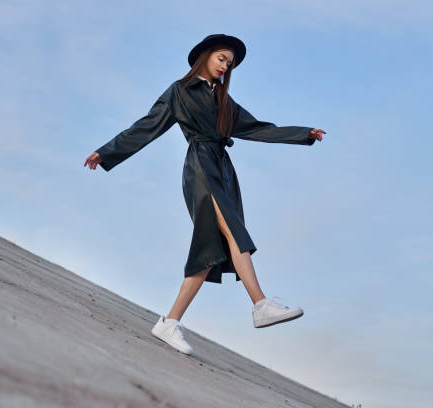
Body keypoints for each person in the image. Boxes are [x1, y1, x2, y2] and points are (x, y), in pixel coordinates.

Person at [84, 34, 325, 355]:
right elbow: (147, 126)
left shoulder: (224, 101)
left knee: (210, 249)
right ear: (205, 56)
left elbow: (258, 128)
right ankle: (260, 303)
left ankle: (169, 322)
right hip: (200, 168)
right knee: (235, 232)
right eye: (221, 58)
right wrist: (106, 152)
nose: (225, 66)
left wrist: (302, 134)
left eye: (230, 63)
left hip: (223, 170)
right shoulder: (179, 91)